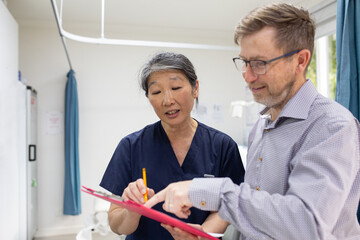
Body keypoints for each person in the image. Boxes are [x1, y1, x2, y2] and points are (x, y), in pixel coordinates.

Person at [145, 3, 360, 240]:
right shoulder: (262, 126)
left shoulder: (332, 126)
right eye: (244, 62)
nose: (247, 76)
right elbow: (257, 216)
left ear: (300, 61)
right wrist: (204, 235)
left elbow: (306, 224)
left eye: (259, 63)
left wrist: (212, 191)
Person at [100, 52, 245, 240]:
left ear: (195, 88)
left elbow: (230, 206)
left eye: (176, 87)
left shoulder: (222, 146)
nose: (167, 100)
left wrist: (201, 235)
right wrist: (131, 211)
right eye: (156, 92)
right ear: (149, 98)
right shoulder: (131, 146)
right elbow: (116, 225)